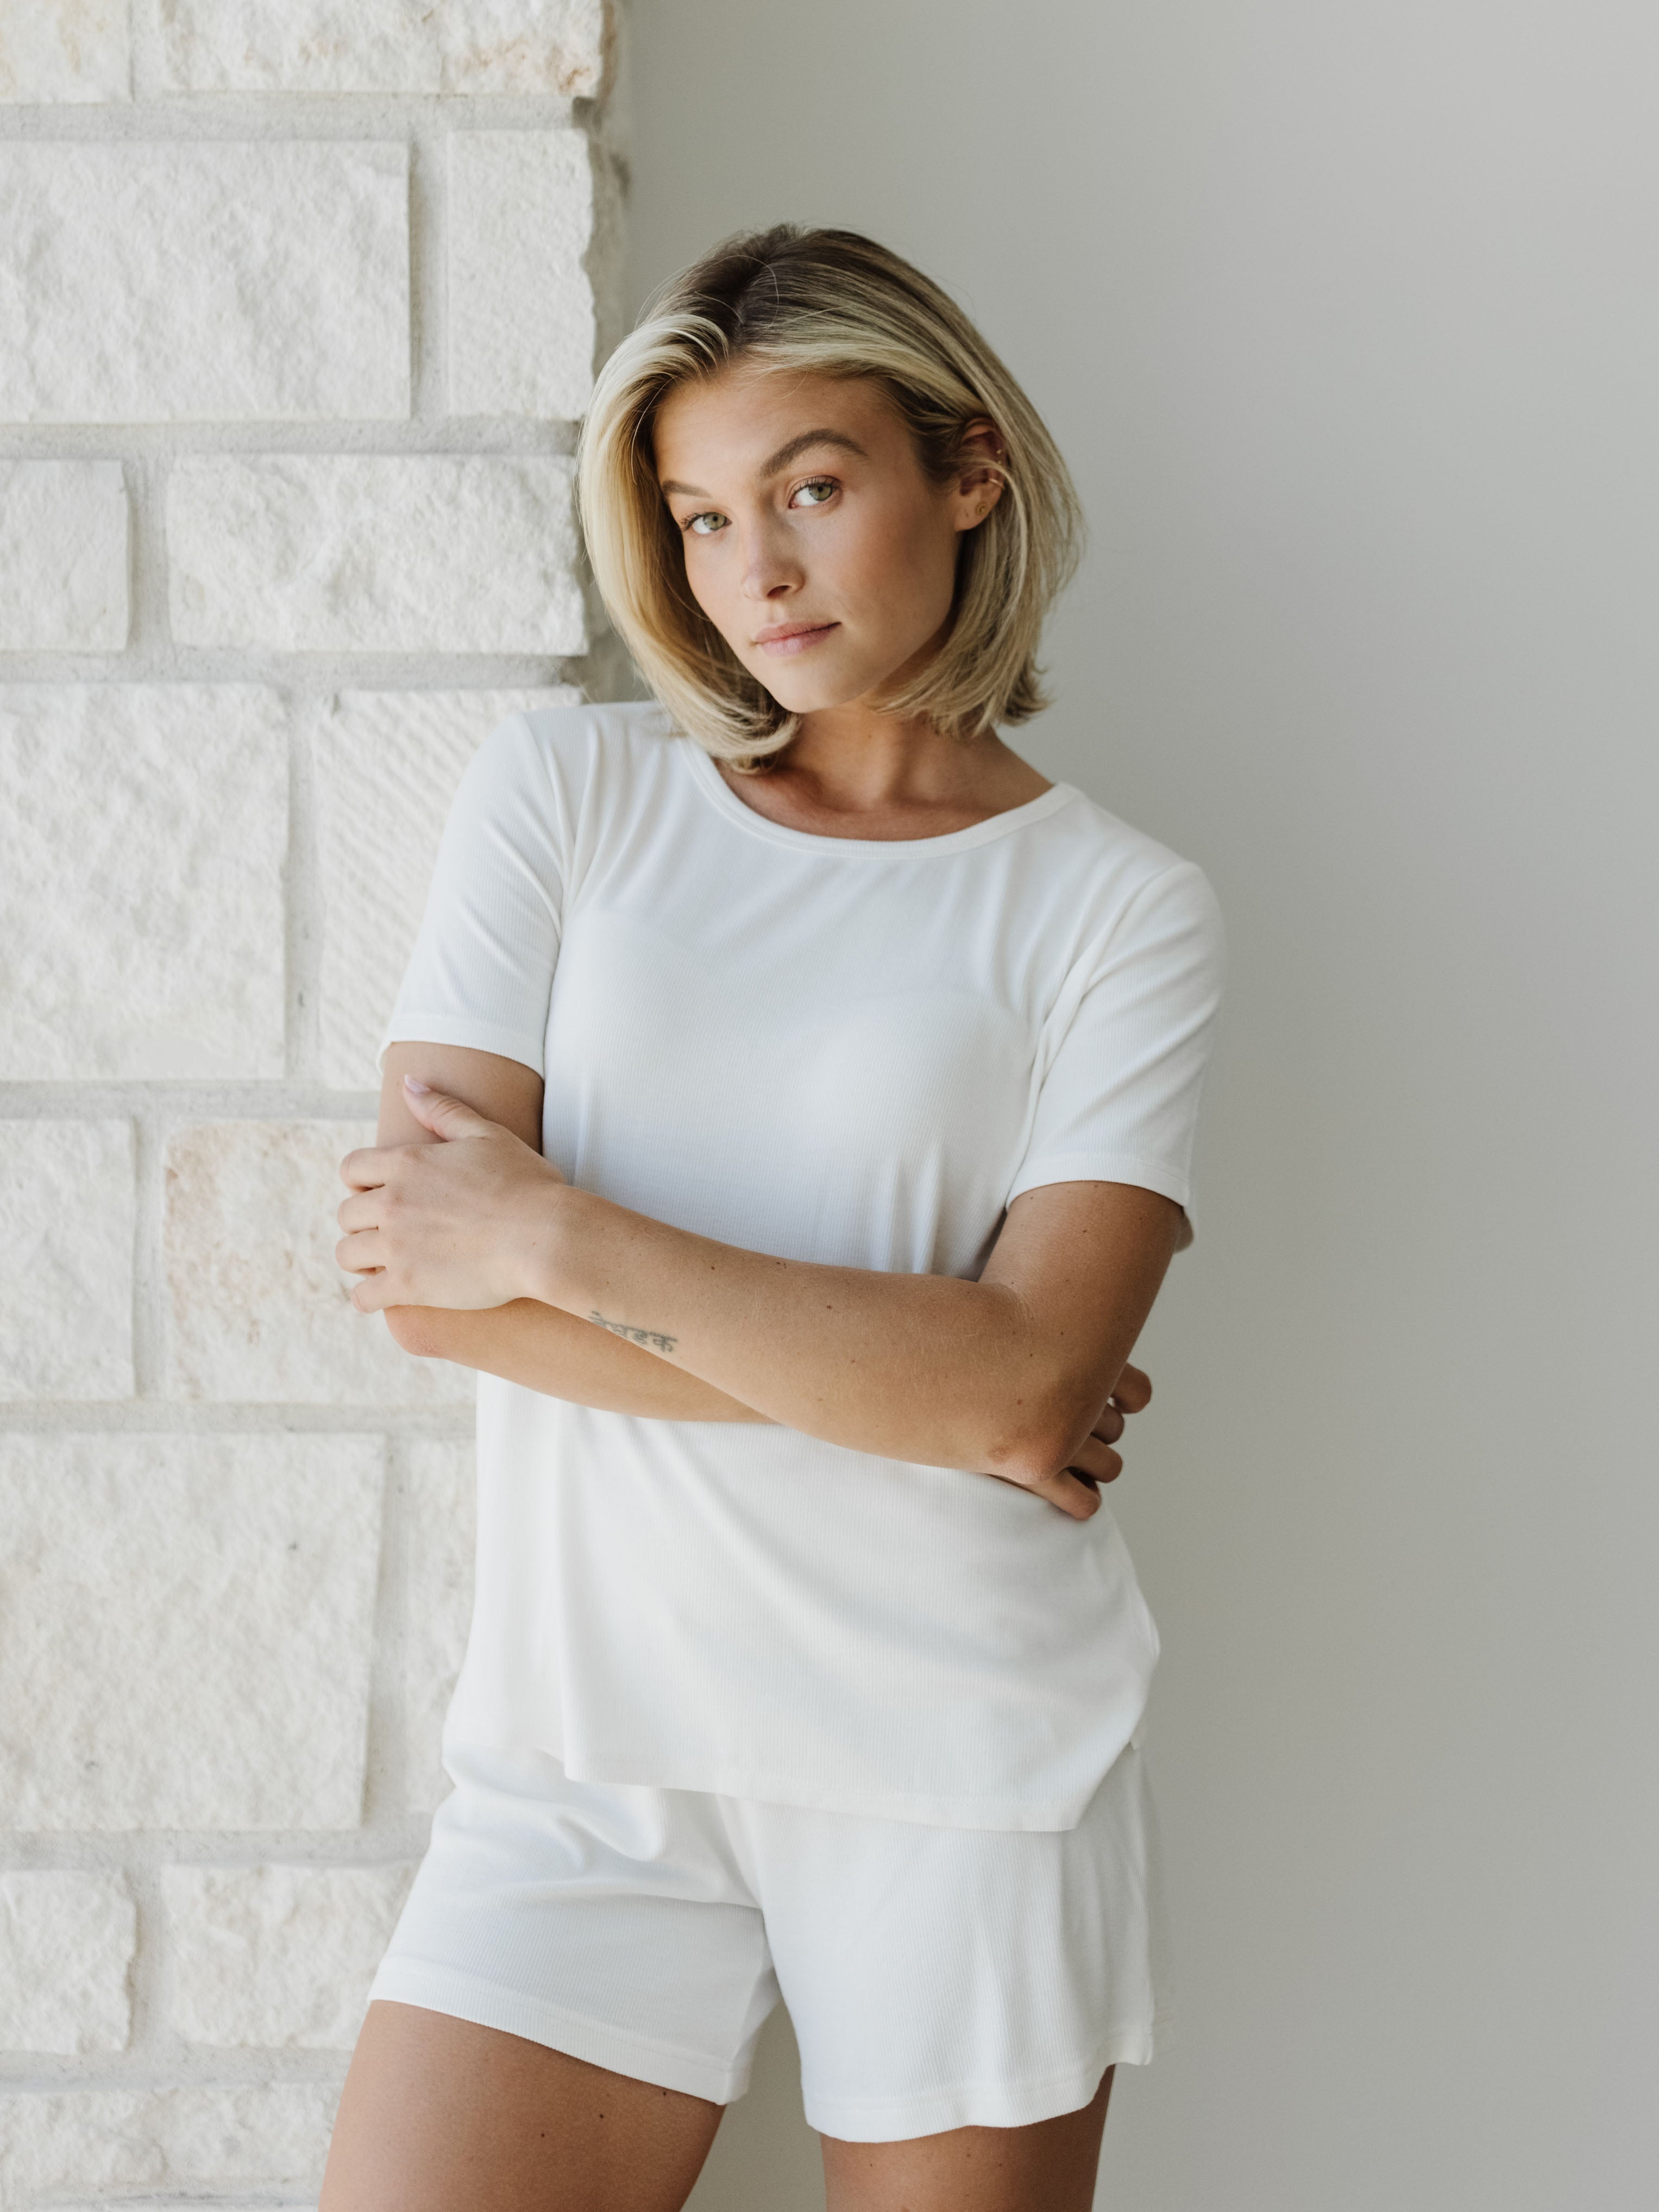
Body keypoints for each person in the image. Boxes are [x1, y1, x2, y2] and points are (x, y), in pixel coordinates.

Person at [320, 225, 1225, 2212]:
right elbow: (423, 1285)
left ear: (965, 468)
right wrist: (940, 1386)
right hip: (584, 1756)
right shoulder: (565, 795)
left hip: (961, 1767)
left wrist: (561, 1237)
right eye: (704, 516)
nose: (758, 573)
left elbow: (1019, 1379)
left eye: (812, 486)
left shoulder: (1118, 909)